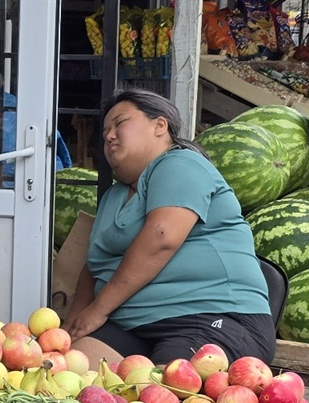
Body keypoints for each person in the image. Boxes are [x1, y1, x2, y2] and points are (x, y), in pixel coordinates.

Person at [62, 89, 276, 368]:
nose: (109, 135)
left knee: (165, 394)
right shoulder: (114, 196)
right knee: (71, 371)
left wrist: (98, 311)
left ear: (159, 126)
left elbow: (162, 237)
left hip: (210, 315)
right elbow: (93, 267)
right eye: (105, 132)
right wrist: (69, 330)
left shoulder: (180, 163)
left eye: (119, 123)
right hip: (134, 325)